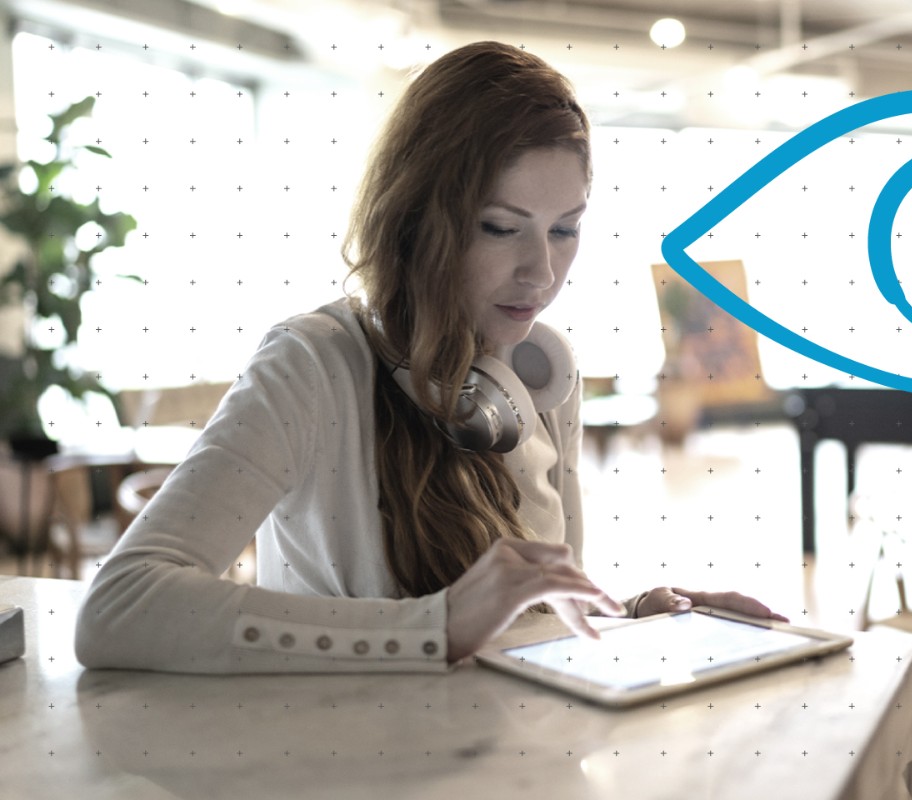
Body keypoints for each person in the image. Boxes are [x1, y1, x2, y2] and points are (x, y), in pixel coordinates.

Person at [74, 41, 784, 674]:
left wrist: (631, 620)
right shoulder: (312, 365)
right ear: (419, 220)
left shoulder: (543, 370)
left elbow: (525, 633)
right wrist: (433, 629)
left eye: (565, 230)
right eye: (501, 227)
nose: (542, 272)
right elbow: (120, 610)